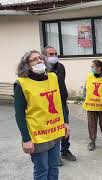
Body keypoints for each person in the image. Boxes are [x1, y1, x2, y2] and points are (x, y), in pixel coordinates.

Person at [14, 50, 70, 180]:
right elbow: (19, 115)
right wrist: (26, 139)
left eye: (40, 58)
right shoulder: (22, 84)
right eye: (34, 59)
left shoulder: (53, 77)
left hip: (55, 131)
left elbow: (59, 102)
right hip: (38, 136)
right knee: (42, 170)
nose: (39, 60)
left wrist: (65, 122)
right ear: (26, 65)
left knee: (54, 167)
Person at [42, 46, 76, 165]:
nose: (54, 56)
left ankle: (65, 151)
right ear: (44, 56)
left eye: (55, 53)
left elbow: (61, 83)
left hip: (61, 100)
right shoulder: (42, 69)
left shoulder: (60, 67)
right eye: (51, 54)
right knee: (52, 128)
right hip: (48, 103)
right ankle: (54, 156)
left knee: (65, 127)